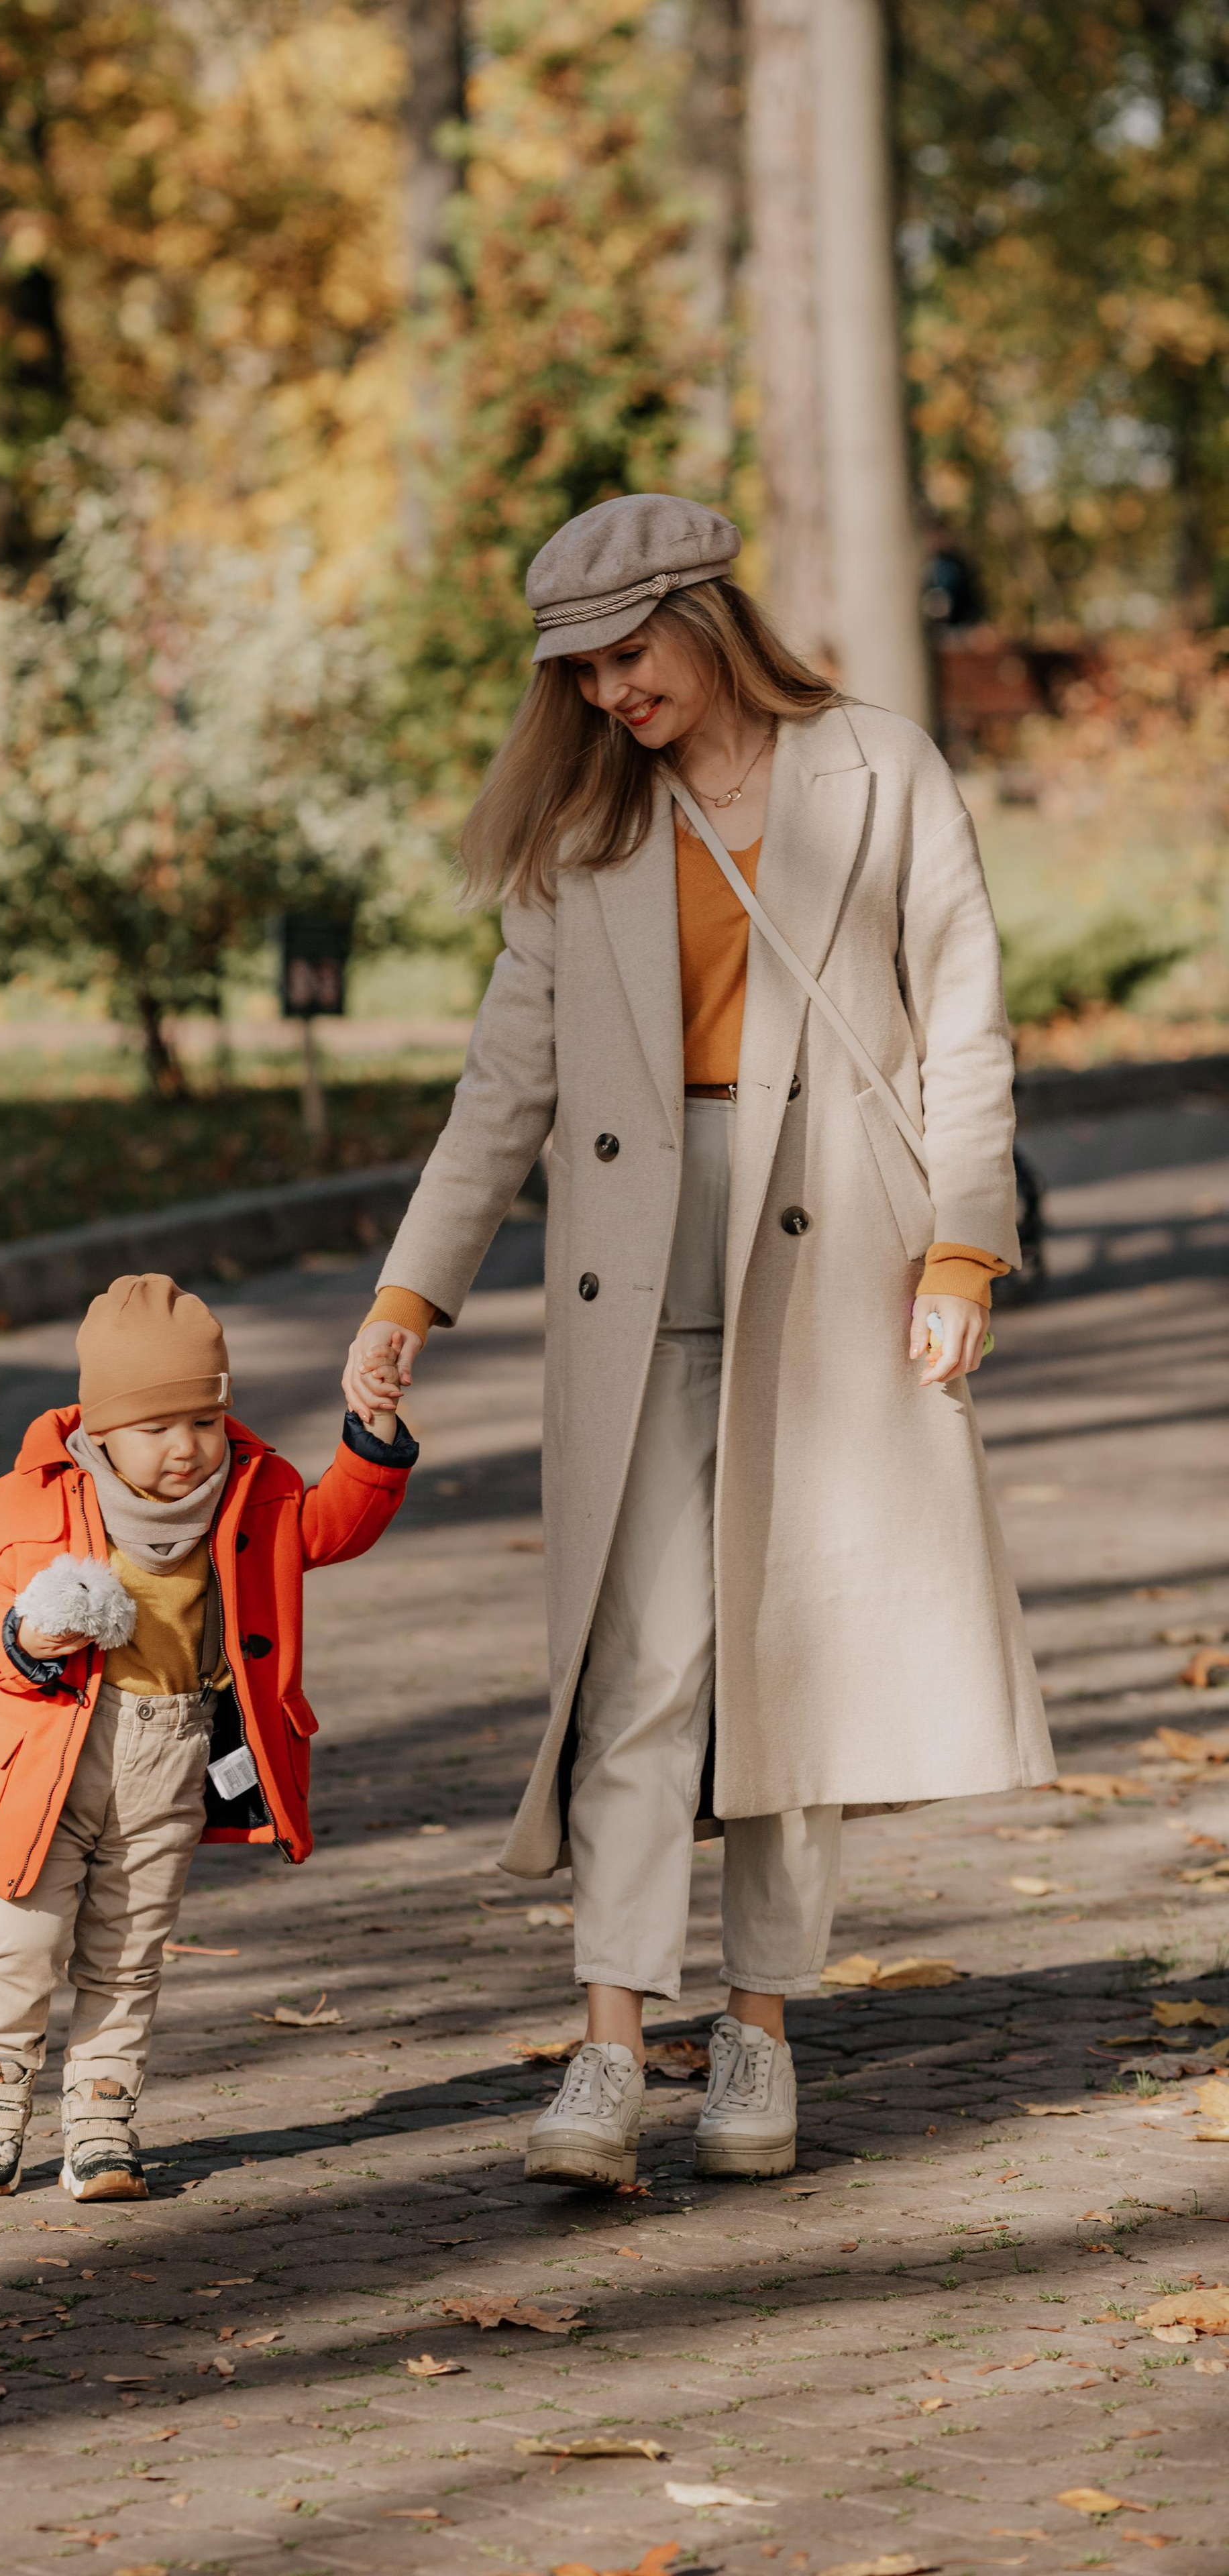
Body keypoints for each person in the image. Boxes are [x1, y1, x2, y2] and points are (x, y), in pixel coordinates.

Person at [342, 494, 1051, 2190]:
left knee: (788, 1660)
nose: (602, 693)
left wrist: (964, 1243)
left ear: (703, 619)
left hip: (839, 1248)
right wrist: (403, 1294)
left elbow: (962, 1014)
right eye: (573, 671)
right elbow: (504, 1083)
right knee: (639, 1660)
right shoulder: (584, 822)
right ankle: (606, 2048)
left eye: (624, 654)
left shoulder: (876, 766)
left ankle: (756, 2032)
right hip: (632, 1252)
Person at [0, 1271, 416, 2200]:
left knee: (128, 1948)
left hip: (171, 1751)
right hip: (49, 1755)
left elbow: (336, 1525)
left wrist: (375, 1436)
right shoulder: (25, 1501)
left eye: (204, 1420)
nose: (188, 1449)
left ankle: (102, 2122)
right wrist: (22, 1636)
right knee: (22, 1942)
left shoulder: (254, 1489)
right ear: (100, 1428)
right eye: (158, 1429)